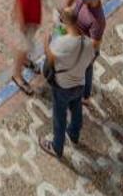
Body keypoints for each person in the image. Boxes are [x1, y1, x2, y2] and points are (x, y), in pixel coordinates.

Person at [41, 15, 96, 161]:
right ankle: (74, 134)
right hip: (79, 84)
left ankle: (57, 147)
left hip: (62, 87)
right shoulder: (89, 43)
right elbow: (90, 62)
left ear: (66, 23)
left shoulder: (62, 44)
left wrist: (46, 42)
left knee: (60, 117)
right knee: (76, 108)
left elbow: (50, 57)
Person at [12, 0, 50, 95]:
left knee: (26, 47)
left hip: (32, 21)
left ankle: (25, 61)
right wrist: (23, 29)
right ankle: (17, 75)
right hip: (26, 25)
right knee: (22, 48)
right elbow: (20, 6)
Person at [63, 0, 106, 100]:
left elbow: (94, 44)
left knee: (86, 71)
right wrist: (66, 9)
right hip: (76, 38)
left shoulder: (98, 21)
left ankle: (85, 96)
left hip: (87, 49)